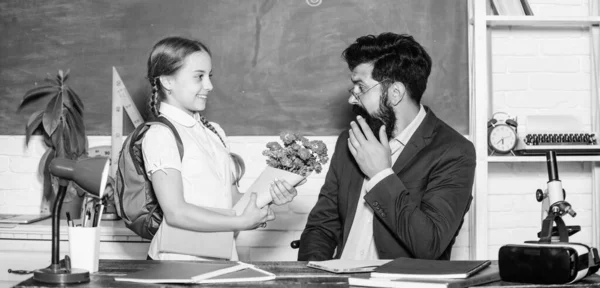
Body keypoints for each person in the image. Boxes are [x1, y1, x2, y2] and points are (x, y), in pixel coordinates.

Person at [298, 33, 476, 261]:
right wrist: (314, 280)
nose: (353, 99)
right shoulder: (351, 140)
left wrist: (381, 175)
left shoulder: (453, 151)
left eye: (360, 88)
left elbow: (429, 246)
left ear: (395, 93)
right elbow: (321, 227)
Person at [142, 36, 299, 260]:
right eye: (199, 77)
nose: (209, 86)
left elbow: (231, 200)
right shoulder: (160, 135)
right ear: (167, 81)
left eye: (209, 76)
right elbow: (176, 212)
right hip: (177, 261)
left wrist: (270, 196)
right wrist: (241, 222)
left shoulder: (213, 131)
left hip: (220, 255)